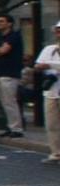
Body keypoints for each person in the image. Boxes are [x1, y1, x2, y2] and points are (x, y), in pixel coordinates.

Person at [0, 15, 26, 138]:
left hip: (10, 73)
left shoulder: (14, 36)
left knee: (10, 102)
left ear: (9, 23)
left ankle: (17, 128)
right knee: (5, 102)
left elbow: (2, 50)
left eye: (1, 21)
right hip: (0, 73)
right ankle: (11, 126)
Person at [36, 21, 60, 164]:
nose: (58, 34)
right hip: (51, 90)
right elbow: (39, 65)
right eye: (57, 31)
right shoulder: (49, 49)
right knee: (51, 124)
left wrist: (50, 65)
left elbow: (47, 64)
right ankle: (55, 153)